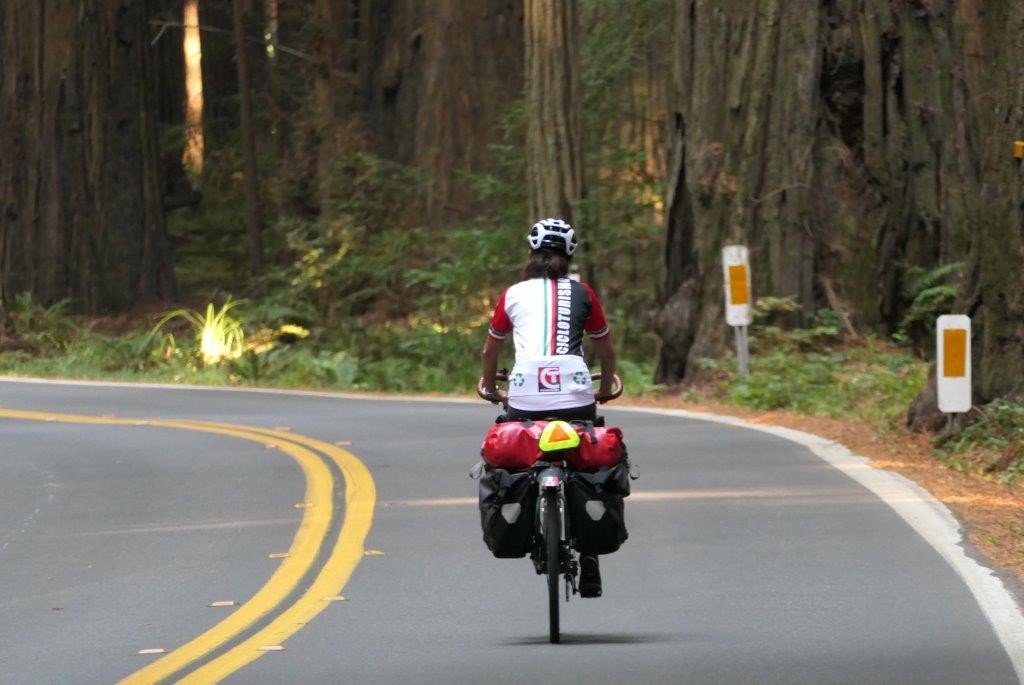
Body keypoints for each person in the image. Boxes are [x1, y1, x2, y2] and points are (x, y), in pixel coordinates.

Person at [480, 217, 617, 598]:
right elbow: (606, 351)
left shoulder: (512, 294)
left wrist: (491, 388)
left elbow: (490, 352)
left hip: (524, 392)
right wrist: (605, 389)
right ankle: (590, 555)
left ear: (530, 252)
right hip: (575, 390)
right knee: (589, 458)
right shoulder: (583, 292)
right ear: (570, 254)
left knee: (515, 454)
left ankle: (524, 520)